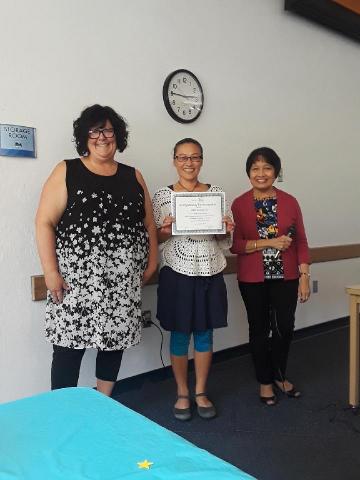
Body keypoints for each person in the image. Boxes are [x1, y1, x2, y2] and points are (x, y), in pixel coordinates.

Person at [35, 104, 157, 396]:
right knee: (68, 348)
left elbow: (149, 225)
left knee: (113, 345)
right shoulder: (67, 170)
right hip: (74, 282)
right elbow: (44, 222)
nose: (102, 137)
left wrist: (152, 263)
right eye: (95, 130)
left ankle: (104, 403)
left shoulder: (133, 176)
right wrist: (50, 272)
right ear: (84, 136)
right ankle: (63, 412)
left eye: (108, 130)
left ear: (118, 135)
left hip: (123, 282)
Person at [152, 138, 234, 420]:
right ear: (174, 160)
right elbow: (155, 237)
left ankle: (201, 391)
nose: (189, 163)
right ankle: (182, 392)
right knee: (179, 333)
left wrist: (225, 229)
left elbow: (225, 238)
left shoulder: (217, 194)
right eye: (183, 157)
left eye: (195, 157)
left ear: (202, 160)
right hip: (177, 270)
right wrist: (164, 230)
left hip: (210, 269)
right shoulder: (163, 196)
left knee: (204, 333)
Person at [231, 147, 310, 406]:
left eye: (267, 168)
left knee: (285, 327)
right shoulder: (239, 204)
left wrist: (305, 275)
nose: (261, 173)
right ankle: (265, 382)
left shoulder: (290, 201)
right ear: (248, 173)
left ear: (276, 172)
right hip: (252, 279)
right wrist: (270, 243)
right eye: (255, 168)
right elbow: (236, 246)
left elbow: (301, 242)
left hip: (286, 276)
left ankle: (279, 375)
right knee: (259, 329)